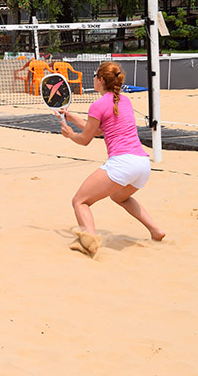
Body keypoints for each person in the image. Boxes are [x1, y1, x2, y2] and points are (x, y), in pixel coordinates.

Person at [59, 61, 165, 257]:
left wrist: (69, 134)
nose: (94, 80)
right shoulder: (125, 101)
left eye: (95, 77)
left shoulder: (98, 105)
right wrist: (73, 119)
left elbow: (85, 140)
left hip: (123, 163)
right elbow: (100, 130)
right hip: (142, 164)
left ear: (100, 80)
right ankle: (156, 231)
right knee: (119, 196)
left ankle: (89, 242)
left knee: (80, 201)